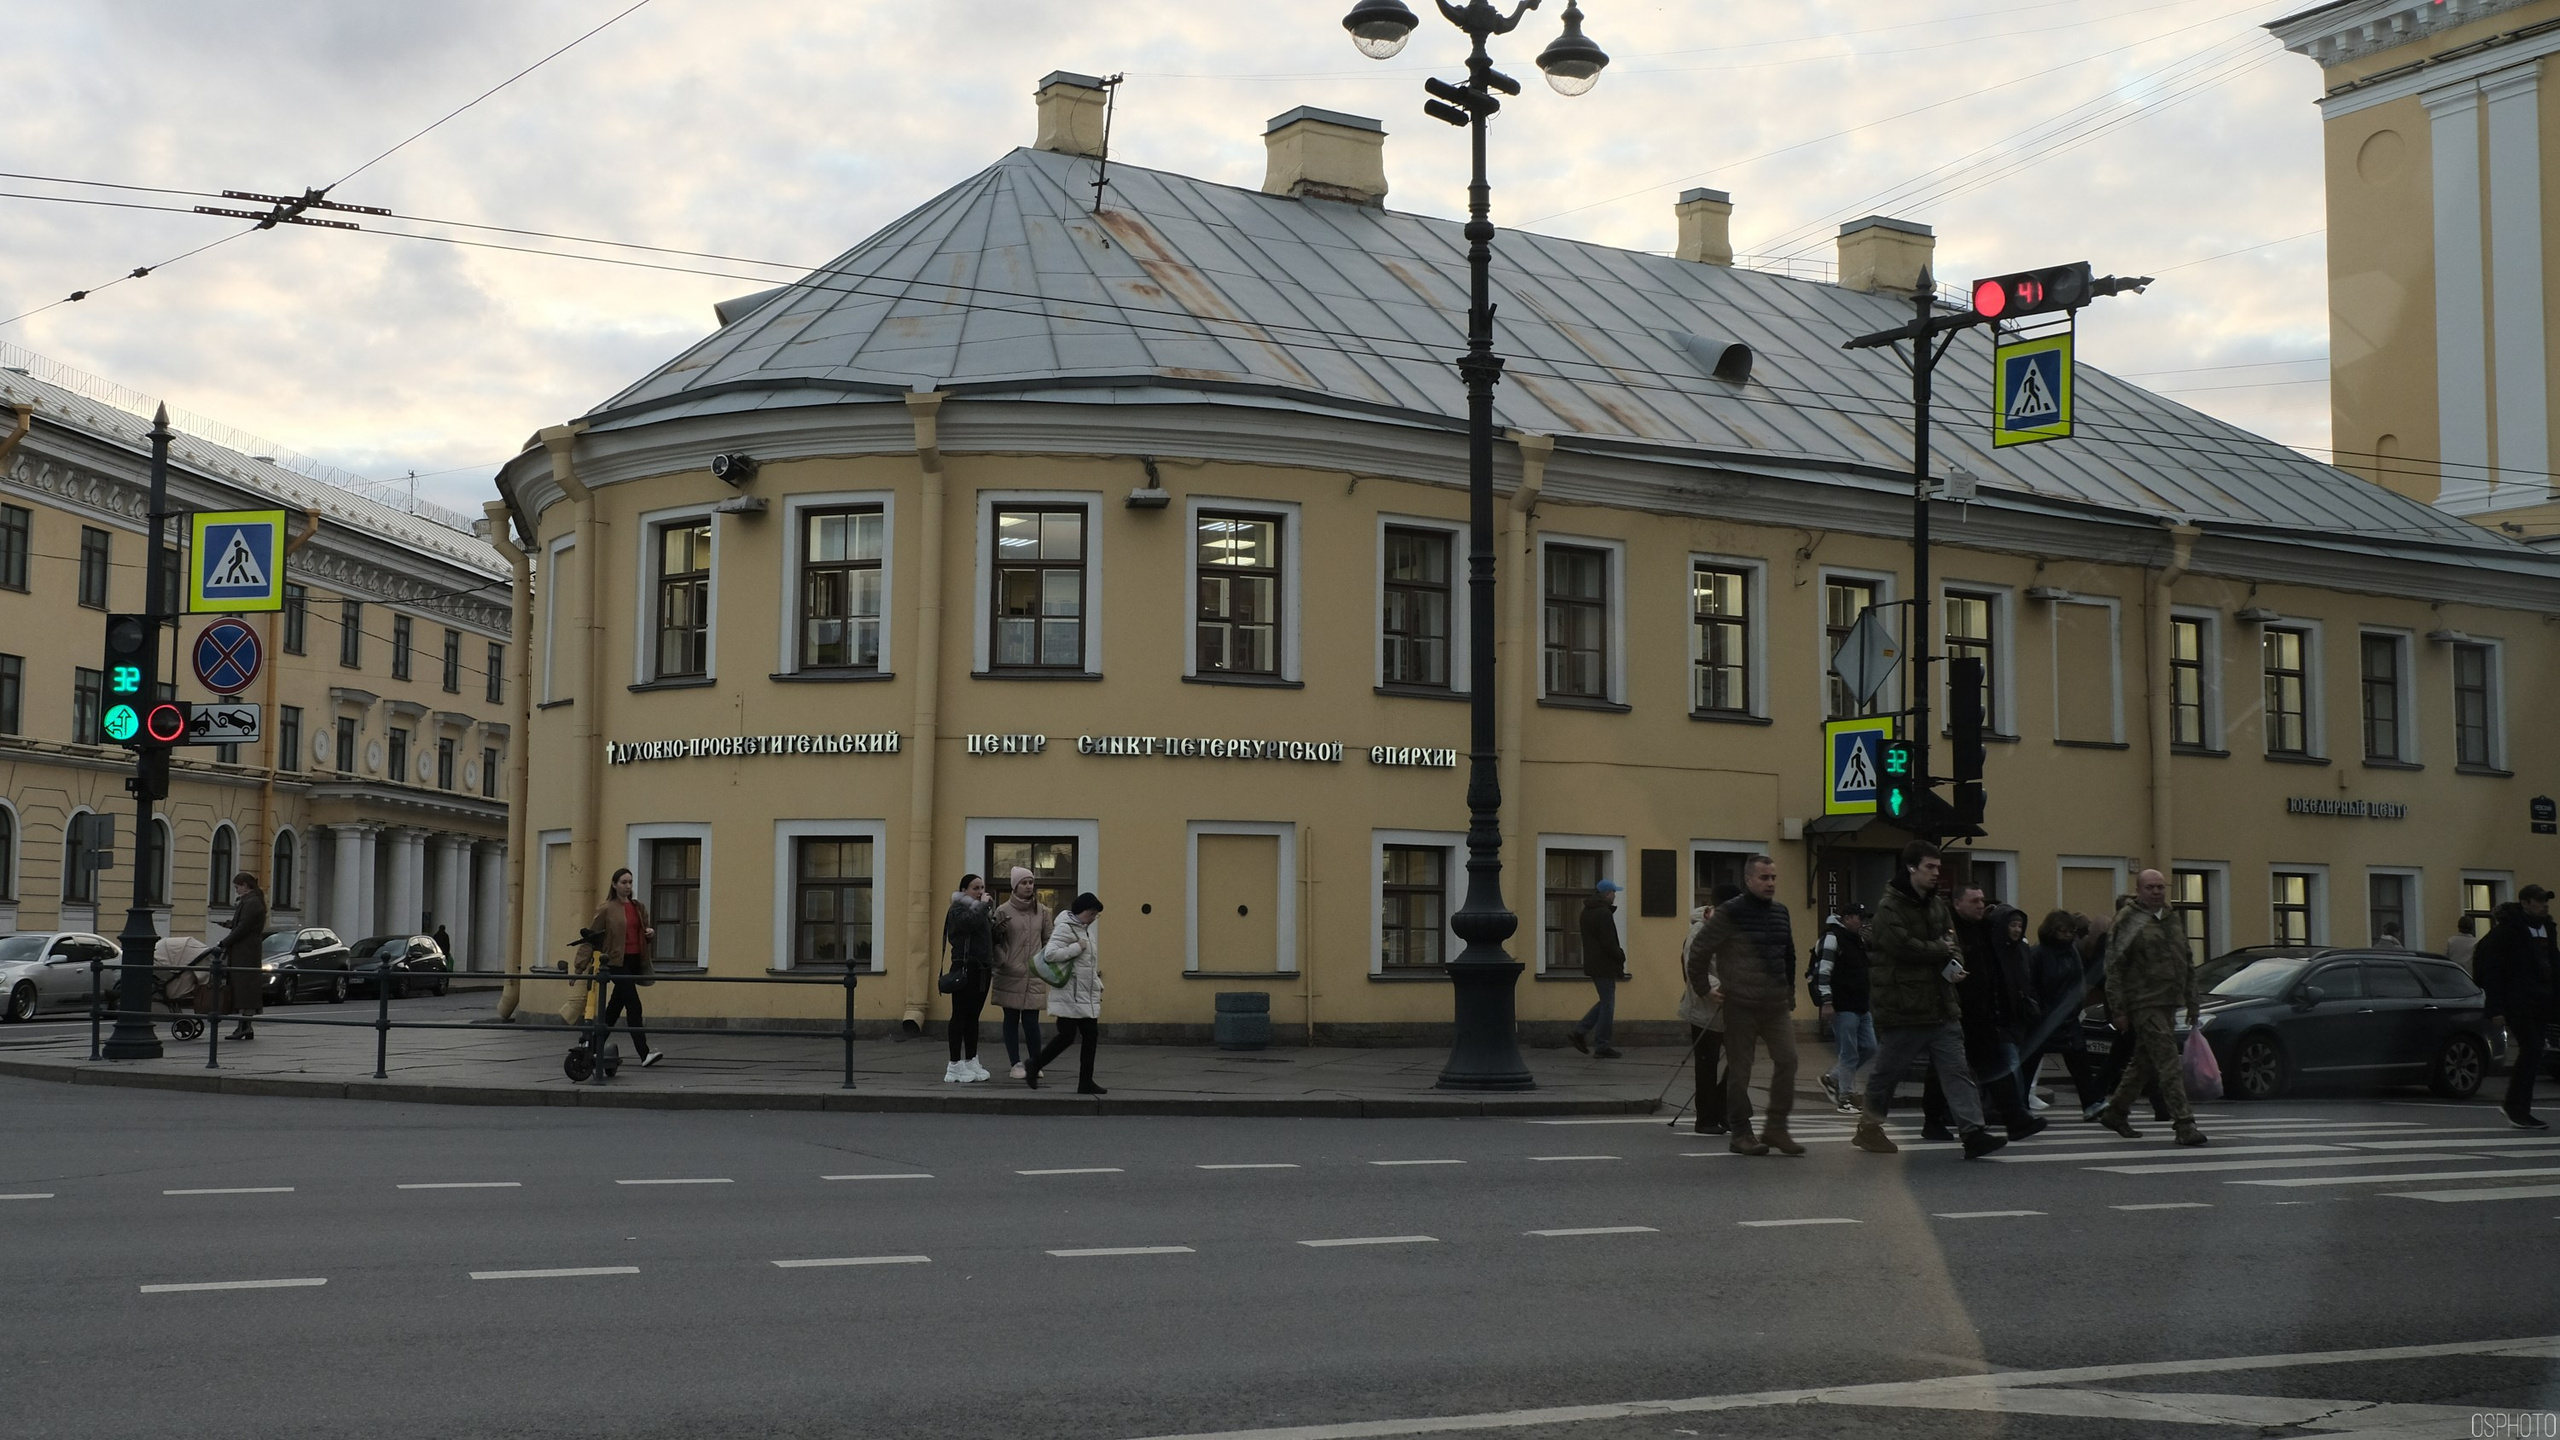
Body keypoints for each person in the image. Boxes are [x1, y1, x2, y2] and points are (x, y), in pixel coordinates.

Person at [1855, 840, 2006, 1160]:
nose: (1937, 873)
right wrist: (1940, 949)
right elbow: (1903, 947)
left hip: (1941, 1004)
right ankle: (1868, 1127)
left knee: (1957, 1070)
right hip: (1903, 1006)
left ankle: (1972, 1132)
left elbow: (1953, 943)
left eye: (1938, 867)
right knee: (1887, 1073)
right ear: (1911, 868)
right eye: (1930, 867)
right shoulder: (1889, 907)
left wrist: (1954, 964)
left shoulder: (1937, 905)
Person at [1686, 855, 1801, 1156]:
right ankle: (1740, 1132)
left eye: (1774, 877)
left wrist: (1789, 992)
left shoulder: (1780, 912)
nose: (1771, 883)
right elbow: (1698, 951)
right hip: (1741, 1004)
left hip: (1775, 1005)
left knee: (1788, 1060)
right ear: (1749, 880)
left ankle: (1776, 1128)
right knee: (1741, 1069)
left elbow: (1788, 953)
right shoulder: (1729, 913)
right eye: (1764, 878)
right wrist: (1704, 989)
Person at [2092, 868, 2205, 1146]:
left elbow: (2186, 958)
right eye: (2150, 887)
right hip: (2143, 1001)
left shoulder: (2170, 918)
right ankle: (2184, 1123)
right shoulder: (2128, 920)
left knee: (2143, 1062)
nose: (2156, 892)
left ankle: (2116, 1112)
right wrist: (2118, 1009)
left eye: (2160, 887)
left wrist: (2192, 999)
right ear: (2138, 889)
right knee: (2168, 1062)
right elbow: (2115, 967)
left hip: (2168, 1000)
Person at [1942, 889, 2046, 1141]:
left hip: (1982, 1011)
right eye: (1974, 901)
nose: (1981, 905)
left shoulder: (1984, 930)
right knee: (1945, 1069)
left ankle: (2011, 1119)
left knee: (1990, 1065)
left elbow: (1997, 971)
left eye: (1982, 900)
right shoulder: (1950, 930)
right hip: (1956, 1010)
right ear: (1957, 904)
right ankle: (1878, 1115)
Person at [2474, 886, 2557, 1130]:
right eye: (2539, 900)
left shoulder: (2548, 928)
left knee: (2536, 1050)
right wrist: (2496, 1008)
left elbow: (2553, 962)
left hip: (2542, 1000)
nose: (2545, 905)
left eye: (2546, 900)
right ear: (2525, 902)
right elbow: (2490, 969)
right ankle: (2516, 1108)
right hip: (2517, 1002)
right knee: (2531, 1048)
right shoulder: (2508, 931)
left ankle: (2520, 1108)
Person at [1681, 884, 1750, 1136]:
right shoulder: (1700, 930)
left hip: (1736, 1010)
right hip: (1706, 1009)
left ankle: (1724, 1109)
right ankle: (1706, 1119)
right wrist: (1719, 987)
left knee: (1740, 1063)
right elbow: (1694, 967)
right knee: (1707, 1067)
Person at [2021, 909, 2104, 1113]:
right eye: (2063, 931)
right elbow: (2031, 985)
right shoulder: (2038, 954)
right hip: (2045, 1017)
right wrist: (2040, 1010)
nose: (2067, 935)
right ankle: (2020, 1106)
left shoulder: (2071, 952)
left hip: (2067, 1016)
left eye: (2070, 931)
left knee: (2079, 1063)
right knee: (2029, 1065)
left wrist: (2075, 1005)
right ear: (2052, 930)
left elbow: (2078, 980)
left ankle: (2090, 1103)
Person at [1026, 893, 1106, 1095]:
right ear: (1081, 911)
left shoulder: (1087, 932)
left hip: (1085, 995)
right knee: (1066, 1036)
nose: (1094, 917)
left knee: (1090, 1037)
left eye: (1096, 914)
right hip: (1069, 994)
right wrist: (1075, 948)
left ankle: (1085, 1082)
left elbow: (1087, 965)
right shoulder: (1066, 927)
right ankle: (1034, 1065)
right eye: (1092, 912)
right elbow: (1051, 954)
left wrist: (1097, 983)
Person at [585, 867, 661, 1067]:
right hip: (616, 962)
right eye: (623, 882)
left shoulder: (638, 907)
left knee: (613, 1009)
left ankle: (590, 1046)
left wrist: (650, 934)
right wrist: (579, 968)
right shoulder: (606, 908)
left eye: (630, 882)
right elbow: (590, 938)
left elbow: (643, 931)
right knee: (634, 1005)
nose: (628, 886)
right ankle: (644, 1054)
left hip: (635, 961)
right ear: (614, 884)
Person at [988, 868, 1052, 1079]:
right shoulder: (1003, 910)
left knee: (1032, 1020)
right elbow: (995, 941)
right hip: (1010, 972)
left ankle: (1035, 1062)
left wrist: (1044, 961)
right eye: (1024, 882)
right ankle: (1015, 1063)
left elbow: (1048, 940)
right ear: (1015, 886)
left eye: (1031, 882)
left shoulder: (1043, 911)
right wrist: (1002, 955)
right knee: (1011, 1018)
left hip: (1034, 972)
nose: (1028, 886)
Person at [1813, 903, 1873, 1114]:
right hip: (1842, 1003)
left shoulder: (1857, 940)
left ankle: (1833, 1078)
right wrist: (1827, 1002)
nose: (1863, 922)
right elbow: (1824, 971)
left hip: (1860, 1004)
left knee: (1869, 1046)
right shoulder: (1833, 938)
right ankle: (1845, 1097)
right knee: (1849, 1053)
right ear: (1847, 918)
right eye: (1859, 917)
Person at [942, 873, 996, 1083]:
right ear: (964, 890)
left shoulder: (981, 911)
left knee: (973, 1016)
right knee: (960, 1015)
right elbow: (967, 924)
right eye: (975, 888)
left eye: (982, 887)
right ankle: (954, 1064)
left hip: (982, 968)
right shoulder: (957, 909)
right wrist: (982, 908)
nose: (980, 891)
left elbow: (984, 936)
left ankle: (971, 1059)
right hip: (964, 968)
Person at [1567, 879, 1628, 1059]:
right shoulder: (1603, 913)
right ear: (1607, 894)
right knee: (1608, 1004)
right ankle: (1601, 1045)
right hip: (1604, 964)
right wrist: (1621, 955)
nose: (1615, 895)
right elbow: (1608, 942)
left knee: (1605, 1002)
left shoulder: (1587, 911)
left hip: (1594, 963)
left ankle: (1580, 1031)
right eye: (1613, 892)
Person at [211, 871, 266, 1041]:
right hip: (246, 950)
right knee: (243, 989)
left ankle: (244, 1027)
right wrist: (228, 924)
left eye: (237, 887)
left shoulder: (251, 902)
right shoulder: (251, 901)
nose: (236, 891)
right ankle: (244, 1027)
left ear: (245, 885)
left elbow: (243, 928)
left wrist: (224, 942)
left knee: (244, 989)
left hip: (245, 951)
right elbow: (242, 925)